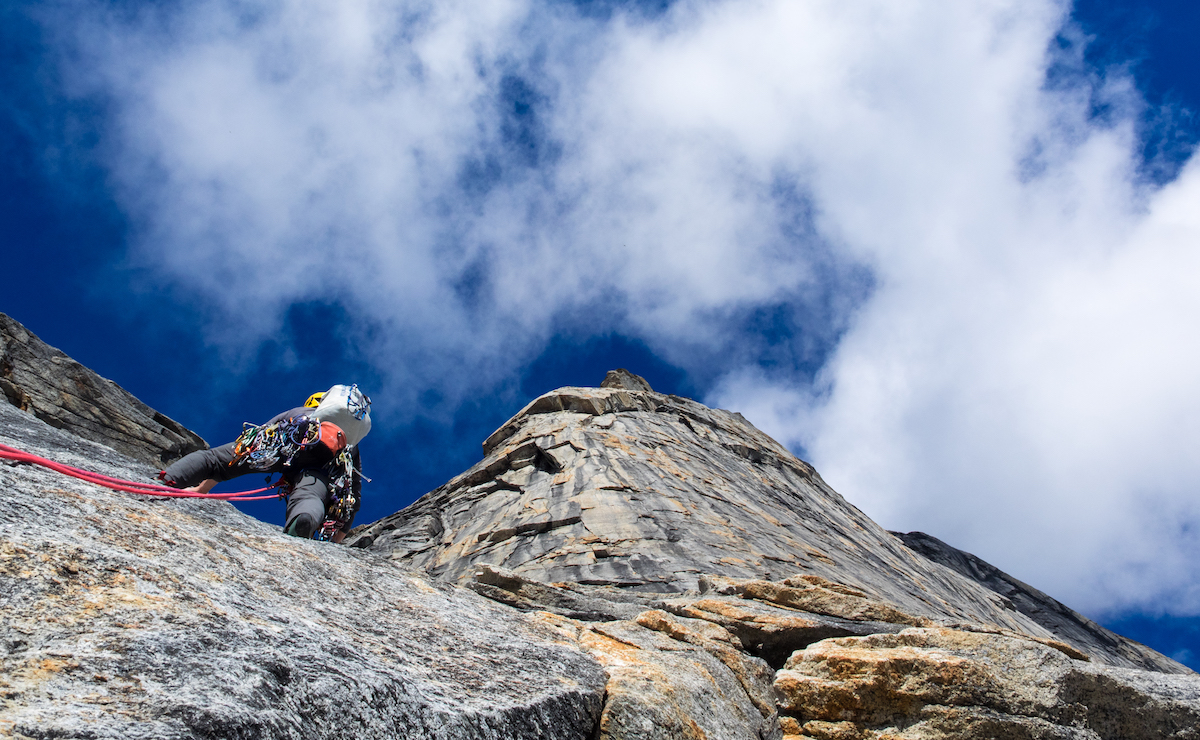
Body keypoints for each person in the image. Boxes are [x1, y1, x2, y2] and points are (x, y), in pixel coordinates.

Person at [159, 384, 371, 543]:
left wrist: (202, 489)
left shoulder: (299, 413)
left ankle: (170, 478)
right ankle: (303, 518)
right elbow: (353, 496)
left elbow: (259, 435)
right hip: (325, 465)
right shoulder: (350, 441)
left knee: (216, 459)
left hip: (289, 441)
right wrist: (337, 541)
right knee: (311, 493)